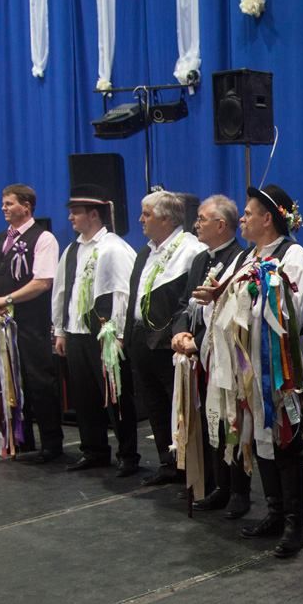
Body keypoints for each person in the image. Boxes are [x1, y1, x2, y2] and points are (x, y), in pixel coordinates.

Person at [198, 184, 303, 558]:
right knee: (258, 437)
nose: (243, 219)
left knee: (285, 441)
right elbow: (230, 300)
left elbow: (290, 312)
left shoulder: (292, 255)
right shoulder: (246, 257)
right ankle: (275, 512)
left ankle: (295, 523)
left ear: (268, 219)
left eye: (248, 213)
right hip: (248, 368)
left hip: (278, 369)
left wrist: (247, 295)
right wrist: (216, 296)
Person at [169, 194, 251, 518]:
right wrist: (180, 333)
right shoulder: (199, 260)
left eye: (202, 219)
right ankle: (219, 484)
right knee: (208, 421)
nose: (196, 224)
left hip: (226, 356)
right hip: (198, 355)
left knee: (231, 421)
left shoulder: (241, 260)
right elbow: (183, 304)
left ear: (221, 225)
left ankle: (239, 491)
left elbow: (232, 314)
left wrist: (200, 341)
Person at [51, 185, 139, 476]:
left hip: (104, 335)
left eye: (76, 213)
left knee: (115, 396)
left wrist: (119, 334)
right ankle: (94, 449)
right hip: (77, 333)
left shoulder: (113, 248)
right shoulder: (72, 250)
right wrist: (60, 330)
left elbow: (123, 292)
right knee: (85, 396)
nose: (71, 218)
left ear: (93, 215)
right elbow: (62, 292)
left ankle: (128, 454)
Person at [0, 184, 64, 461]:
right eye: (3, 203)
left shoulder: (43, 238)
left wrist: (5, 299)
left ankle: (51, 443)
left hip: (31, 323)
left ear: (26, 206)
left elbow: (42, 281)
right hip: (2, 324)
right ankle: (20, 438)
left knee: (39, 382)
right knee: (9, 381)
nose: (3, 208)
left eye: (9, 203)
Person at [124, 191, 204, 487]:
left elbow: (190, 301)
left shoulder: (191, 250)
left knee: (179, 405)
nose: (140, 219)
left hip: (169, 342)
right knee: (154, 405)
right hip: (141, 338)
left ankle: (189, 466)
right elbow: (135, 295)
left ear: (167, 218)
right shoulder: (145, 252)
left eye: (147, 214)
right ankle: (167, 462)